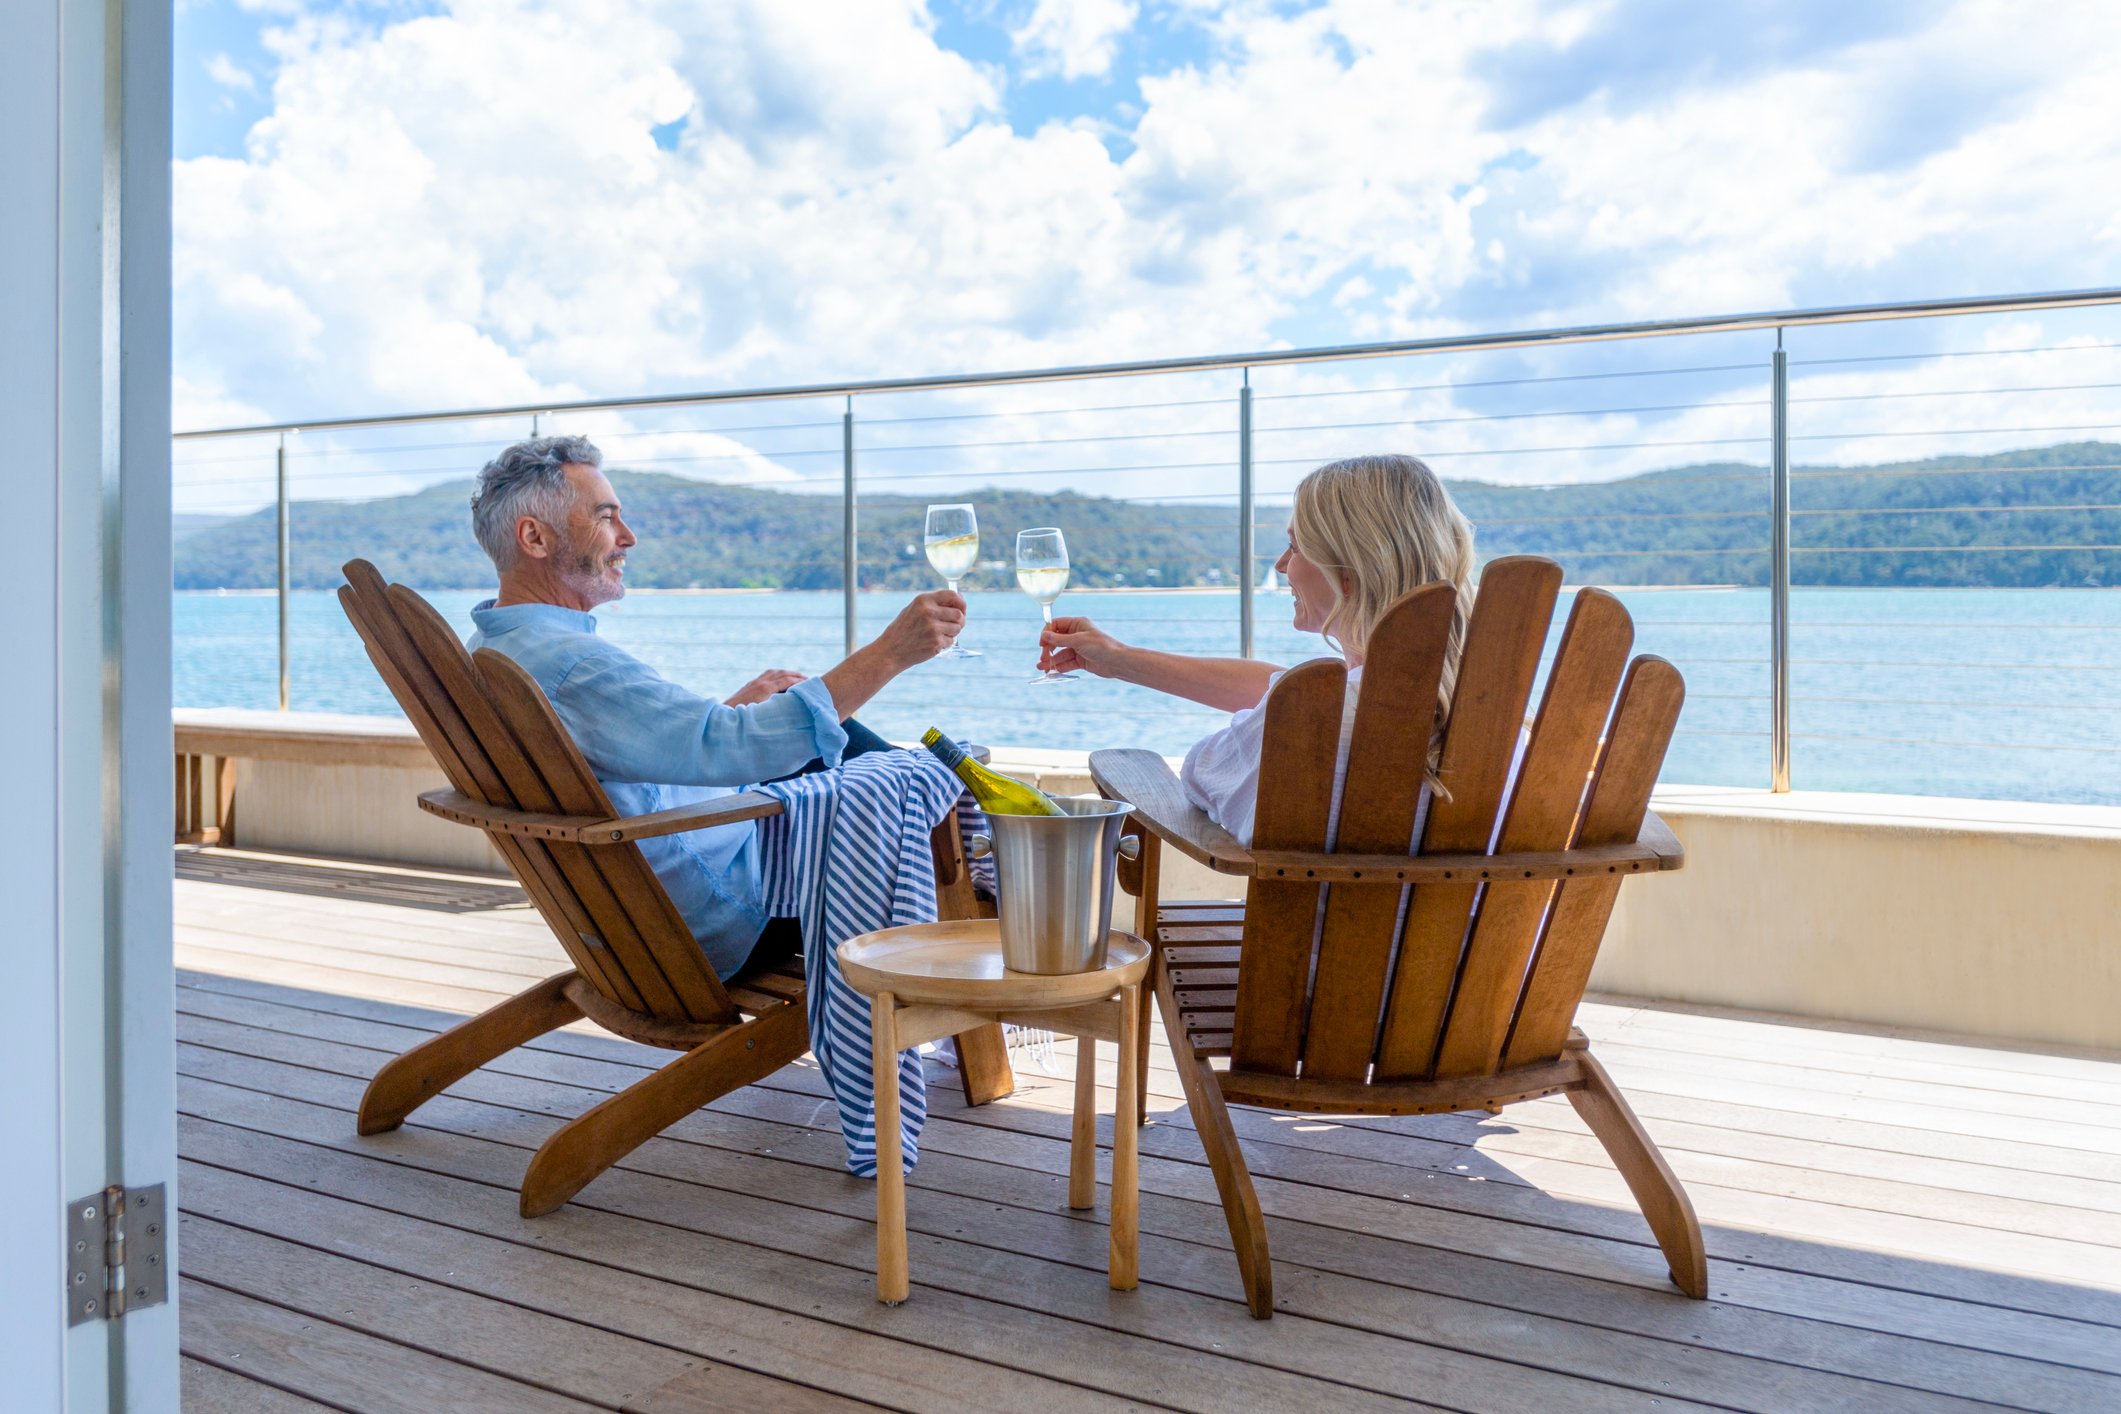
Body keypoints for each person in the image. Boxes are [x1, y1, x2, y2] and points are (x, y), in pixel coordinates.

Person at [464, 434, 965, 979]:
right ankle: (1008, 864)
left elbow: (622, 760)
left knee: (821, 730)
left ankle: (1000, 836)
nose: (627, 538)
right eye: (606, 517)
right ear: (534, 537)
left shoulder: (495, 651)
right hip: (723, 912)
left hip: (634, 917)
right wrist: (890, 653)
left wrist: (732, 712)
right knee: (913, 792)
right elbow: (739, 749)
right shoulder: (573, 665)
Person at [1037, 453, 1479, 845]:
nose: (1282, 565)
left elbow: (1204, 775)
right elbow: (1301, 691)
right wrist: (1119, 657)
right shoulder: (1490, 710)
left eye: (1294, 545)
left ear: (1350, 568)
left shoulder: (1320, 720)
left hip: (1311, 939)